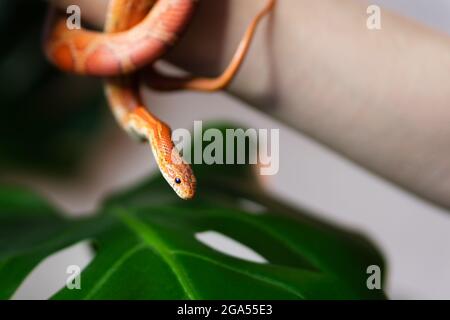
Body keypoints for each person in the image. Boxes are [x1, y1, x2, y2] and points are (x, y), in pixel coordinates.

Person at [52, 0, 450, 208]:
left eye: (179, 179)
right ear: (173, 163)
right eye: (177, 179)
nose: (181, 186)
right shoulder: (152, 129)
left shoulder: (151, 128)